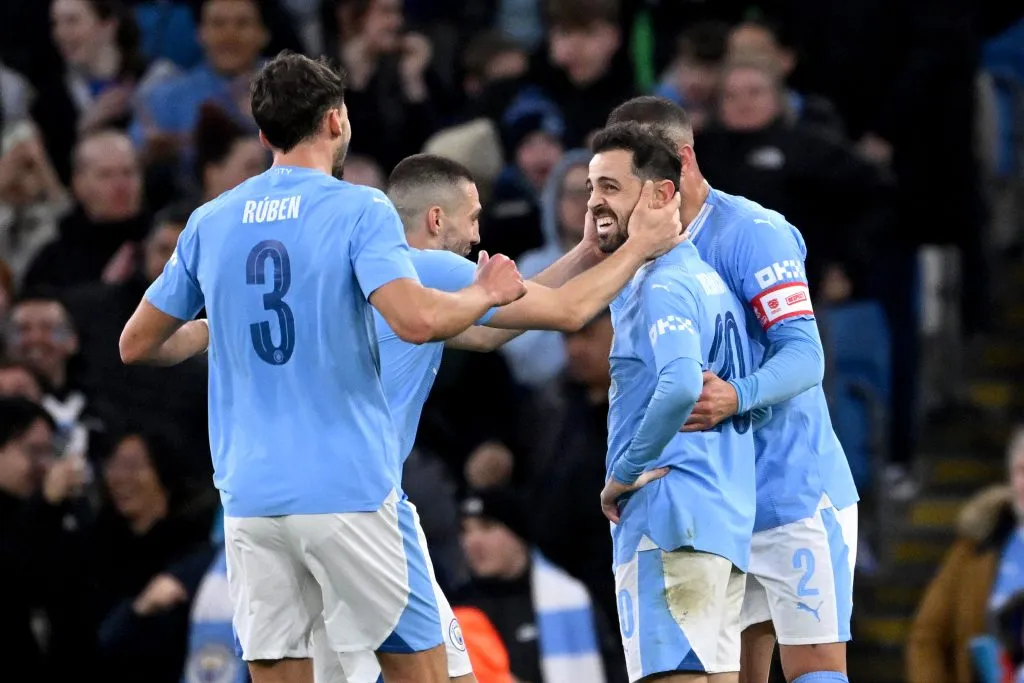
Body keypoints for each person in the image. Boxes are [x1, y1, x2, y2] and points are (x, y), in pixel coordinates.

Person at [118, 50, 529, 683]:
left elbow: (138, 344)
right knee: (426, 675)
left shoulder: (210, 220)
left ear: (262, 134)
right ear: (336, 120)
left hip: (251, 499)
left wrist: (216, 332)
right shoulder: (359, 210)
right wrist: (485, 293)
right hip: (346, 491)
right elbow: (415, 321)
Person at [312, 152, 683, 683]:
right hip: (366, 504)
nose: (477, 233)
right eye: (473, 216)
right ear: (437, 220)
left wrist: (584, 252)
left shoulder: (378, 282)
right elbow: (568, 313)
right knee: (441, 673)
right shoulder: (429, 266)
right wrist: (643, 244)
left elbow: (489, 329)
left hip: (322, 500)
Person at [606, 96, 859, 683]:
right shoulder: (643, 247)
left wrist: (736, 396)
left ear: (681, 162)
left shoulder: (754, 232)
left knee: (815, 667)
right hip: (720, 496)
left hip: (794, 486)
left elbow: (805, 354)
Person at [588, 122, 760, 683]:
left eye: (611, 187)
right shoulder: (708, 279)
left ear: (663, 193)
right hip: (721, 522)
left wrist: (624, 471)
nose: (595, 203)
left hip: (670, 519)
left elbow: (682, 383)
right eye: (593, 188)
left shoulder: (662, 282)